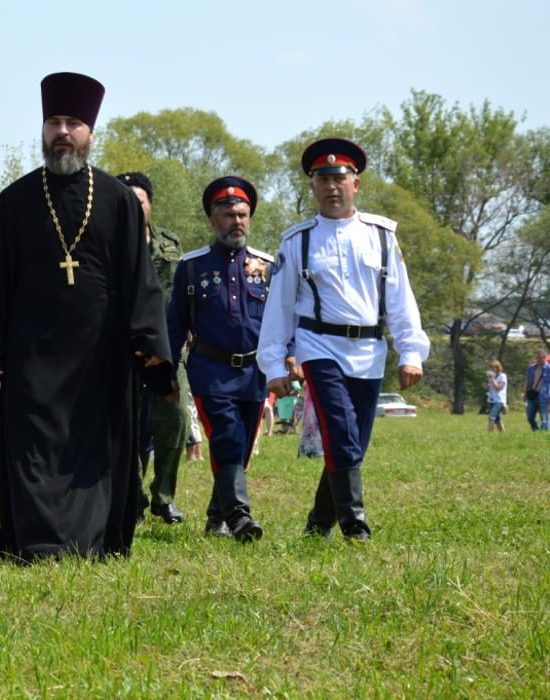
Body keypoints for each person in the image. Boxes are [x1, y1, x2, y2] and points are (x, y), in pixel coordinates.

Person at [0, 71, 172, 562]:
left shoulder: (119, 201)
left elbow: (139, 279)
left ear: (90, 134)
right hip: (31, 355)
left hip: (101, 358)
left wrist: (149, 345)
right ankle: (38, 545)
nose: (63, 132)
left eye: (73, 123)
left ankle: (94, 542)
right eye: (55, 122)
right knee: (34, 452)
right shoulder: (15, 202)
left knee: (97, 453)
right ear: (43, 130)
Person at [258, 137, 429, 541]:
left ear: (356, 183)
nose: (331, 186)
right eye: (322, 178)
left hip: (370, 350)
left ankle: (318, 526)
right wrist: (272, 364)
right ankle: (355, 524)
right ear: (312, 185)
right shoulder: (296, 241)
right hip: (319, 347)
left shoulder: (383, 236)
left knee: (352, 443)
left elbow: (401, 298)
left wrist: (411, 352)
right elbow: (279, 308)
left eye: (340, 177)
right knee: (339, 430)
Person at [166, 176, 270, 542]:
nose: (236, 221)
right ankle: (240, 517)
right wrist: (166, 373)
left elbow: (279, 321)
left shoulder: (267, 266)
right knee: (225, 436)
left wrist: (287, 361)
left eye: (242, 214)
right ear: (213, 220)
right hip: (211, 370)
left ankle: (217, 517)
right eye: (228, 215)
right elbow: (175, 323)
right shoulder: (192, 267)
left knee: (240, 446)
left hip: (255, 372)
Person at [117, 171, 189, 525]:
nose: (134, 205)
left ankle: (164, 496)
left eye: (140, 199)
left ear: (150, 204)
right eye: (127, 199)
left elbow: (184, 293)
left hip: (167, 347)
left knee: (174, 419)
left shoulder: (170, 242)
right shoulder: (106, 243)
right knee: (125, 425)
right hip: (121, 351)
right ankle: (133, 498)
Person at [523, 351, 549, 431]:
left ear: (544, 358)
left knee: (544, 418)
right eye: (536, 358)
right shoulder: (532, 367)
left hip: (544, 396)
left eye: (539, 358)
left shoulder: (548, 368)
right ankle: (536, 430)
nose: (537, 360)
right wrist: (525, 393)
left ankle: (544, 435)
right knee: (530, 417)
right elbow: (527, 381)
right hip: (532, 394)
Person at [487, 360, 508, 432]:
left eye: (493, 368)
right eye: (491, 368)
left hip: (499, 400)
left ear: (498, 368)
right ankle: (503, 433)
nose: (492, 370)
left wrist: (492, 379)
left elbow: (498, 388)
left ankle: (489, 434)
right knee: (497, 419)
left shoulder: (503, 376)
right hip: (492, 400)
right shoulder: (492, 377)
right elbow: (490, 389)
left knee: (491, 417)